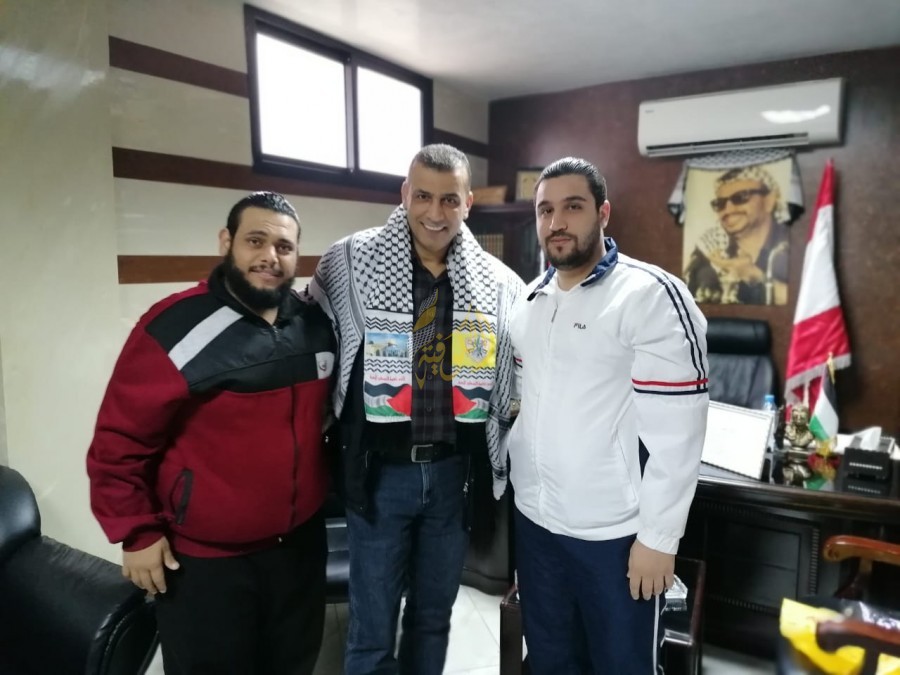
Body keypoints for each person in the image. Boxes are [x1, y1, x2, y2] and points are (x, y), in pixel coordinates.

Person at [86, 191, 335, 674]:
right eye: (255, 241)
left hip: (299, 551)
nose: (270, 256)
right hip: (205, 563)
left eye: (284, 247)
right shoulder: (174, 326)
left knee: (294, 664)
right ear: (227, 242)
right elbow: (118, 443)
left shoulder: (315, 326)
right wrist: (137, 533)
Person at [308, 143, 524, 674]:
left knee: (433, 619)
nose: (435, 212)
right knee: (372, 630)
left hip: (453, 479)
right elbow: (312, 338)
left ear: (468, 203)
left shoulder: (499, 283)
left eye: (449, 199)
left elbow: (518, 370)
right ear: (405, 194)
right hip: (380, 476)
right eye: (423, 196)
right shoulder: (350, 261)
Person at [508, 157, 709, 673]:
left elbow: (679, 432)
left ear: (603, 213)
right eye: (545, 210)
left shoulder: (649, 295)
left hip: (614, 537)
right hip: (536, 525)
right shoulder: (529, 300)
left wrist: (658, 539)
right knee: (551, 660)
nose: (556, 222)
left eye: (572, 207)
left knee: (623, 665)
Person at [685, 165, 790, 305]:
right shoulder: (710, 249)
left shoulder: (791, 244)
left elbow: (807, 302)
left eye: (741, 197)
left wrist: (753, 275)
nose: (728, 210)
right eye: (720, 203)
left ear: (769, 201)